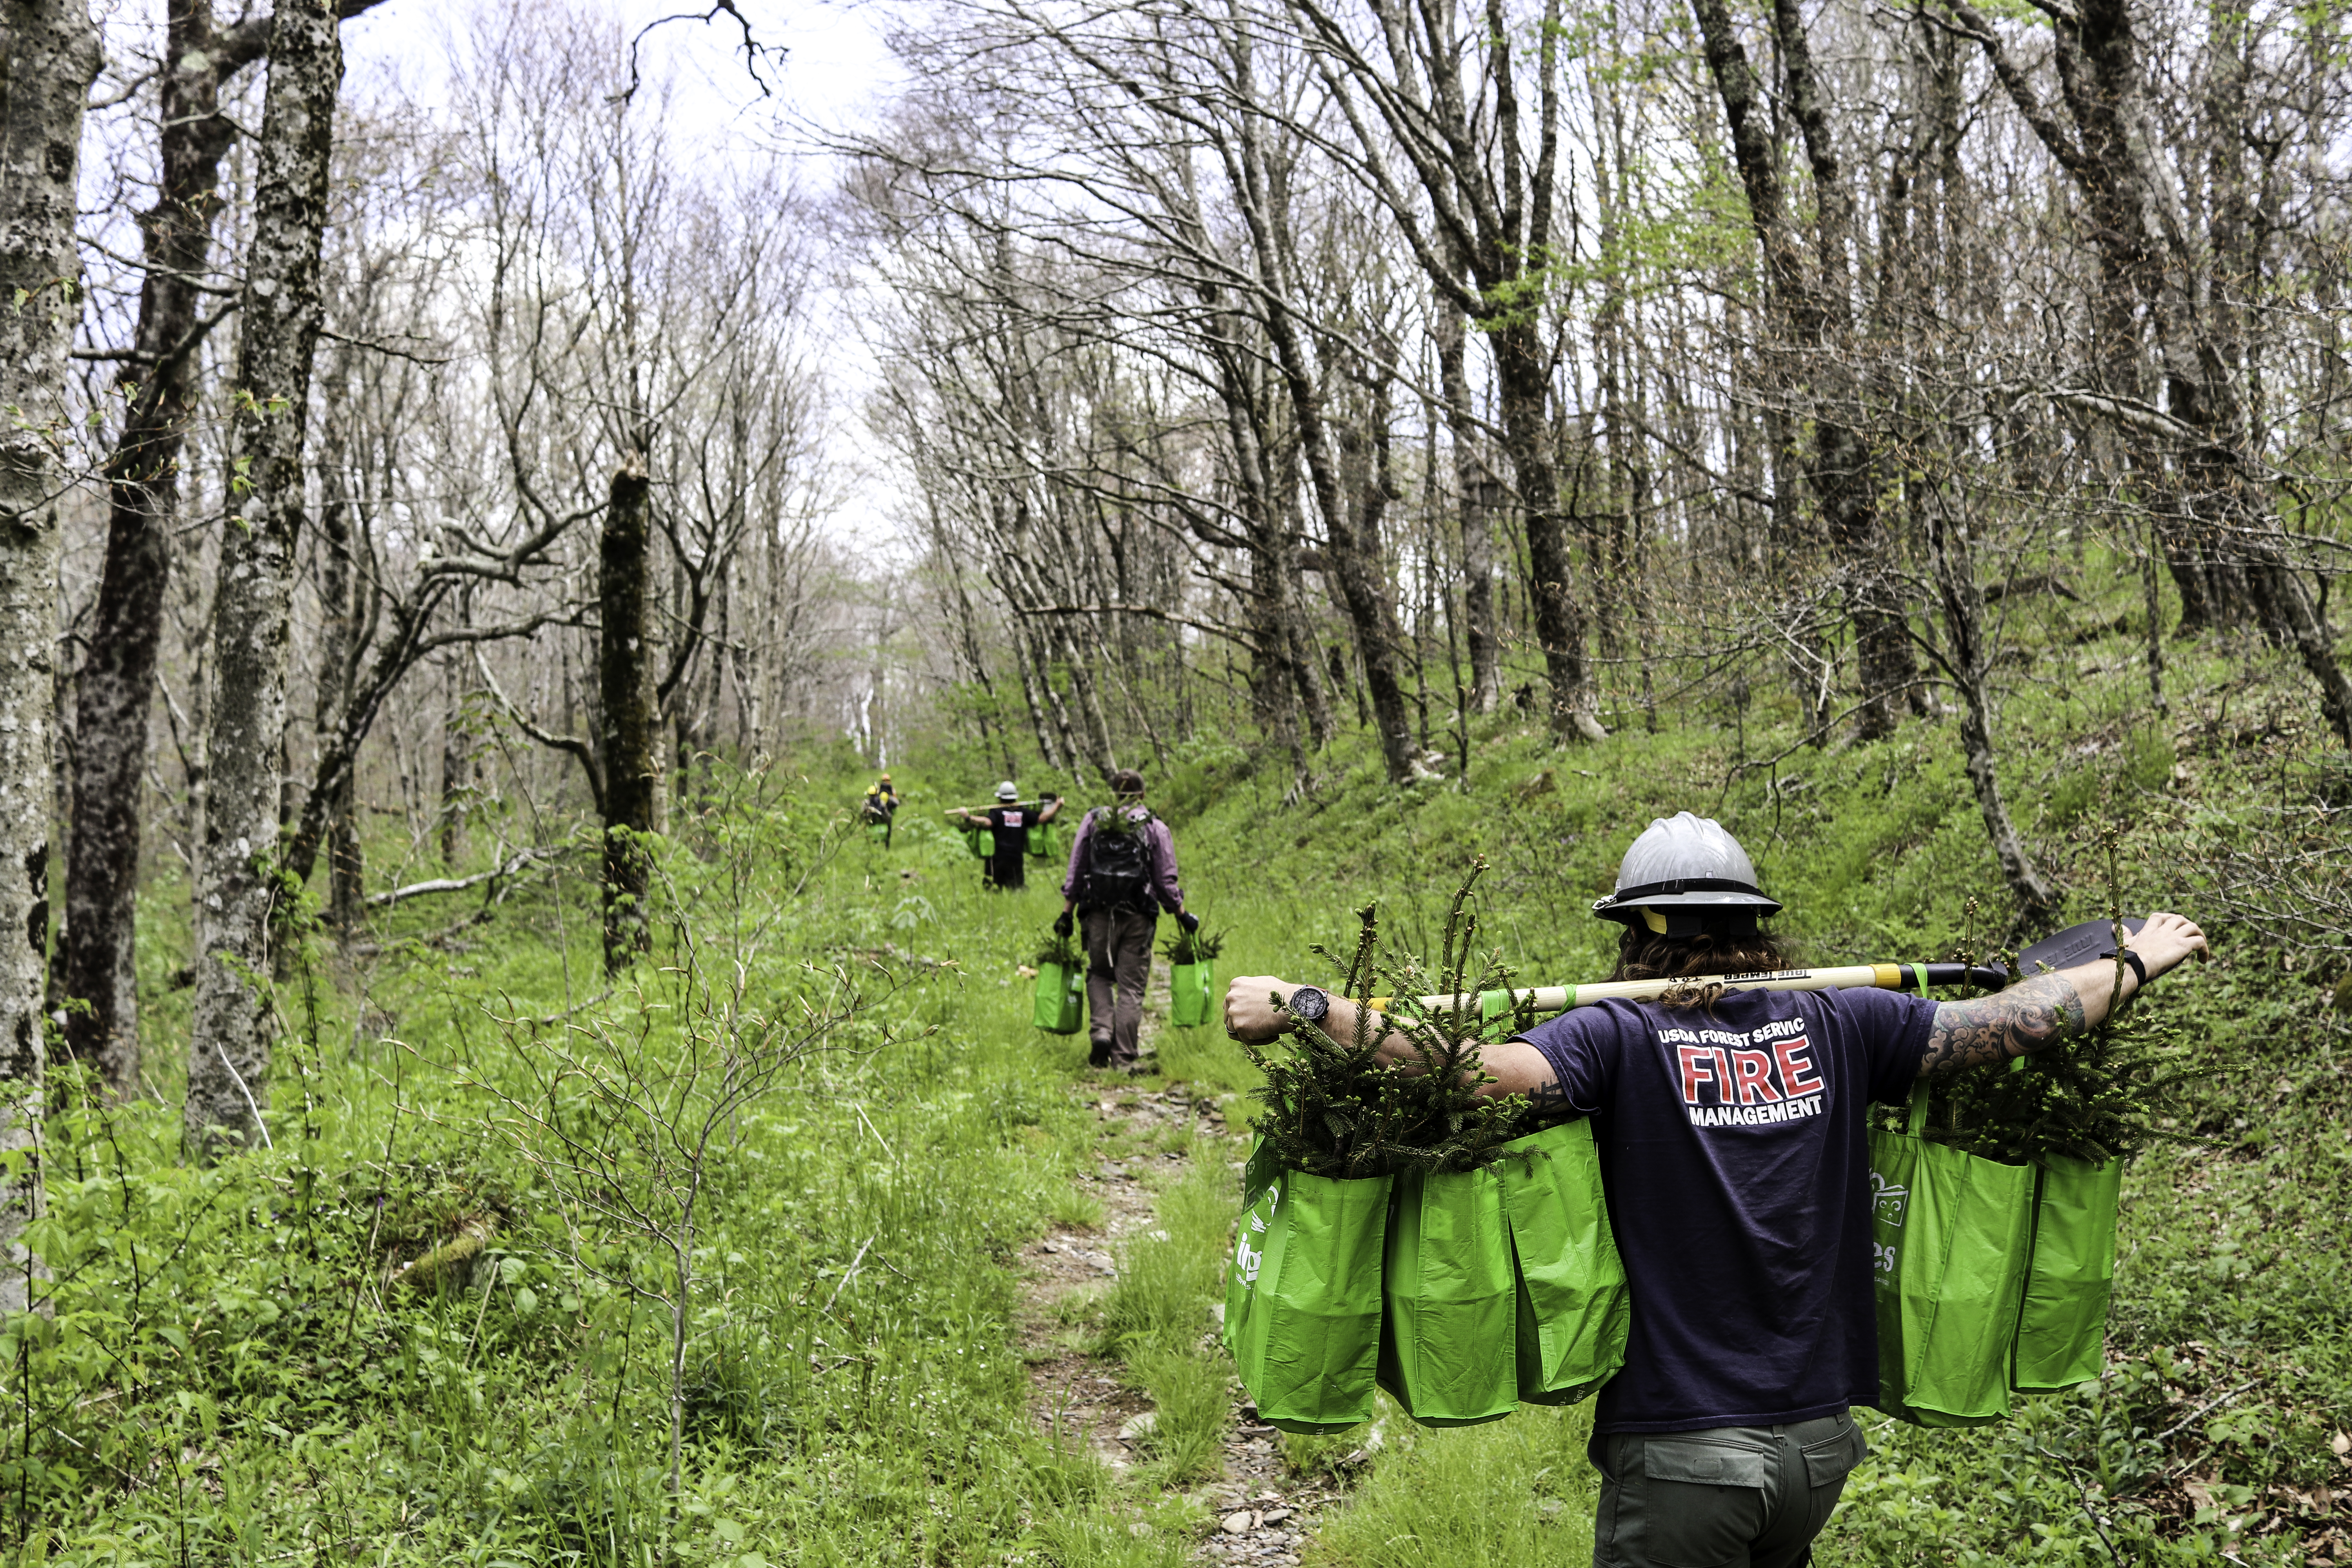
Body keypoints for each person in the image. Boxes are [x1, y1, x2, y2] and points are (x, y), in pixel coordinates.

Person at [1223, 811, 2208, 1568]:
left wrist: (1312, 1008)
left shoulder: (1611, 1036)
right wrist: (2130, 963)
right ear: (1755, 926)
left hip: (1685, 1456)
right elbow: (2015, 1017)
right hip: (1818, 1449)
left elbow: (1473, 1072)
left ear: (1635, 935)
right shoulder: (1851, 1024)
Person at [1058, 768, 1196, 1071]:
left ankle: (1102, 1033)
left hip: (1097, 912)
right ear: (1142, 795)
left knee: (1098, 974)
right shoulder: (1155, 827)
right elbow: (1165, 880)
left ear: (1114, 794)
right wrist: (1182, 915)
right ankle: (1124, 1058)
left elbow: (1077, 868)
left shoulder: (1094, 820)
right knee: (1131, 987)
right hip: (1138, 916)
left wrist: (1067, 913)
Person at [951, 782, 1059, 892]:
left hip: (997, 858)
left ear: (1000, 798)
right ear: (1015, 798)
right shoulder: (1024, 813)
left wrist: (968, 817)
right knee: (1016, 890)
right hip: (1016, 858)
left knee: (992, 890)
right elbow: (1042, 819)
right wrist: (1057, 806)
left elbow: (987, 823)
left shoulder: (997, 813)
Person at [862, 772, 900, 847]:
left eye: (887, 780)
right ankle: (883, 843)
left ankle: (883, 843)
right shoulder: (883, 792)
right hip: (883, 814)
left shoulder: (888, 791)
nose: (886, 782)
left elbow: (895, 802)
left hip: (884, 813)